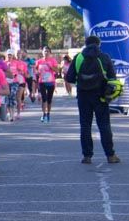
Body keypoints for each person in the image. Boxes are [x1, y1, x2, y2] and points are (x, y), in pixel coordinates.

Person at [64, 35, 120, 164]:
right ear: (99, 44)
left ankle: (87, 156)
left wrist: (81, 80)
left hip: (83, 96)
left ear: (85, 44)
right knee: (104, 126)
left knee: (85, 126)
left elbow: (70, 78)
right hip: (101, 96)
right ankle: (110, 155)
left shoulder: (78, 57)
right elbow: (112, 77)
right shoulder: (104, 57)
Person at [34, 46, 59, 123]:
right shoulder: (39, 61)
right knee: (43, 99)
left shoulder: (53, 61)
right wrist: (37, 72)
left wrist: (50, 66)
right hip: (42, 82)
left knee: (49, 100)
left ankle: (48, 113)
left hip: (51, 82)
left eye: (47, 51)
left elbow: (57, 71)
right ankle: (44, 114)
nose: (46, 53)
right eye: (45, 51)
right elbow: (35, 69)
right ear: (42, 52)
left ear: (50, 53)